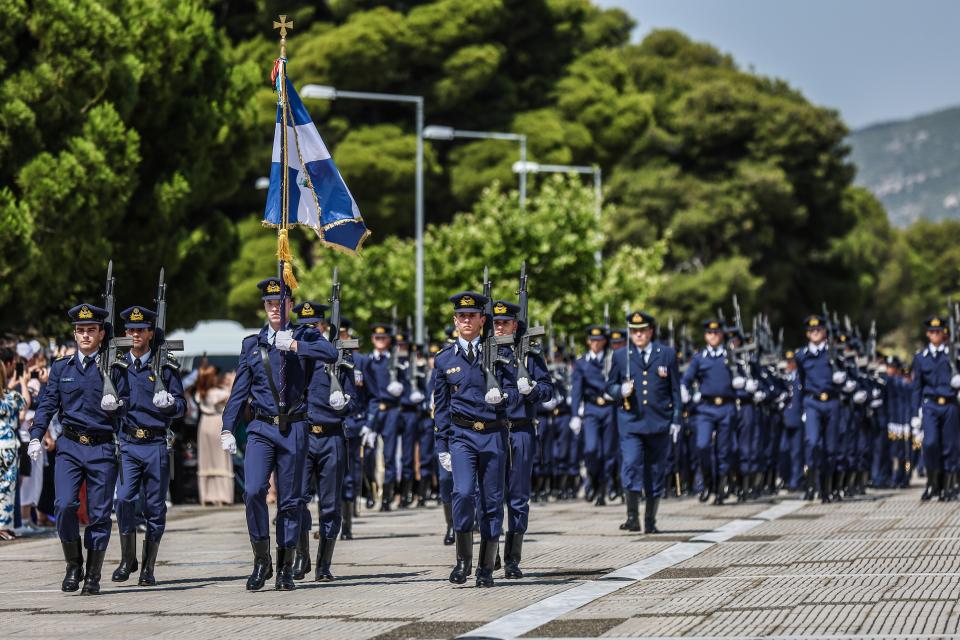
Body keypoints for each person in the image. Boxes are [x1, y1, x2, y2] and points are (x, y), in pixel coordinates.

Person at [220, 278, 338, 591]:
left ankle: (285, 566)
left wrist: (296, 345)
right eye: (270, 303)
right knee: (254, 490)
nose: (275, 308)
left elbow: (331, 354)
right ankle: (262, 560)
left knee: (291, 500)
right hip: (261, 428)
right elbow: (238, 392)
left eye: (281, 302)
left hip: (295, 427)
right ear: (265, 307)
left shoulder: (306, 334)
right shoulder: (252, 344)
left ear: (290, 305)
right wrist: (227, 427)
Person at [29, 303, 128, 594]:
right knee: (64, 505)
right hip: (70, 446)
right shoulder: (62, 368)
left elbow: (129, 407)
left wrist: (118, 406)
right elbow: (47, 404)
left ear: (100, 334)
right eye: (80, 330)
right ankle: (74, 564)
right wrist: (36, 434)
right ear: (75, 334)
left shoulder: (115, 368)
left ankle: (93, 575)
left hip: (101, 448)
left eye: (91, 330)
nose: (85, 335)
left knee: (98, 514)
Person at [434, 290, 516, 588]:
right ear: (455, 321)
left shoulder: (500, 354)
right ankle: (462, 562)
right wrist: (442, 444)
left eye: (472, 315)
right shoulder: (444, 360)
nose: (466, 320)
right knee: (464, 493)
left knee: (492, 502)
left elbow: (516, 391)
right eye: (461, 316)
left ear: (483, 319)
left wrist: (504, 395)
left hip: (493, 433)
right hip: (462, 436)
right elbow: (440, 407)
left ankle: (485, 568)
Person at [110, 305, 185, 586]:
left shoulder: (166, 367)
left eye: (141, 330)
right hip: (129, 442)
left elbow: (182, 406)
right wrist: (110, 406)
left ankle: (148, 567)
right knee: (124, 499)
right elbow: (107, 404)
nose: (135, 334)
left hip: (155, 443)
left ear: (151, 333)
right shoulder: (117, 367)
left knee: (155, 507)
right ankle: (127, 558)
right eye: (130, 330)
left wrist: (170, 405)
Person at [290, 300, 355, 582]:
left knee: (330, 505)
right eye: (304, 326)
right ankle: (302, 556)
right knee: (297, 500)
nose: (310, 330)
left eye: (315, 325)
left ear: (324, 327)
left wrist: (343, 404)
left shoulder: (340, 358)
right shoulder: (292, 357)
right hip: (303, 435)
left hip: (331, 437)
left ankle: (324, 563)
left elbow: (354, 402)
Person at [492, 299, 553, 578]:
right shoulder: (486, 351)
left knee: (518, 496)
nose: (499, 326)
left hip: (521, 429)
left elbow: (548, 388)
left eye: (504, 322)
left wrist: (531, 391)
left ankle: (512, 559)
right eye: (495, 322)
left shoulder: (529, 354)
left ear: (515, 324)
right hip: (493, 429)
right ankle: (489, 551)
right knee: (489, 495)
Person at [606, 311, 681, 534]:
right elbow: (609, 386)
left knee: (656, 470)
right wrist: (620, 390)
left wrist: (676, 419)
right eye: (633, 331)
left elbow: (675, 390)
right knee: (631, 464)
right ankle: (632, 517)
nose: (638, 335)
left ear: (650, 331)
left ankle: (650, 519)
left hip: (658, 421)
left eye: (641, 330)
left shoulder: (666, 353)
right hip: (631, 422)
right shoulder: (621, 356)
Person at [680, 320, 736, 504]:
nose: (713, 336)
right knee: (702, 445)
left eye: (716, 332)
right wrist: (685, 391)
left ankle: (720, 488)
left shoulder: (731, 355)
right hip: (705, 408)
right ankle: (707, 480)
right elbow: (687, 379)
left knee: (723, 451)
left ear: (721, 335)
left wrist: (742, 383)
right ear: (705, 336)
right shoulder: (699, 358)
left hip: (726, 407)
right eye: (710, 333)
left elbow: (743, 376)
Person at [795, 315, 846, 503]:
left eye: (818, 330)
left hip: (831, 402)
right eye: (811, 331)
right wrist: (800, 408)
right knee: (813, 443)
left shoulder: (834, 353)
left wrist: (843, 379)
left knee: (831, 449)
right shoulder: (801, 355)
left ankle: (828, 488)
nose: (814, 333)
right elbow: (799, 382)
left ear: (825, 331)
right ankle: (812, 484)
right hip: (812, 403)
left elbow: (846, 377)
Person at [910, 315, 960, 501]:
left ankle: (948, 487)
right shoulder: (920, 357)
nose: (935, 334)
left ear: (944, 333)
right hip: (930, 406)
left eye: (938, 331)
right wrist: (915, 413)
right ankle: (932, 484)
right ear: (927, 334)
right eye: (932, 331)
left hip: (950, 405)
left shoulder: (954, 354)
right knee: (930, 443)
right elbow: (916, 388)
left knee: (950, 446)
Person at [570, 325, 617, 506]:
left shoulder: (611, 360)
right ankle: (593, 480)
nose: (595, 344)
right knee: (591, 449)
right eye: (592, 340)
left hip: (609, 408)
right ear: (589, 341)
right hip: (591, 410)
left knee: (607, 453)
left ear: (604, 341)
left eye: (599, 340)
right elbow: (576, 391)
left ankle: (602, 489)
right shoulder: (582, 363)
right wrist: (575, 414)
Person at [195, 365, 233, 506]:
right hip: (217, 422)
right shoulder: (216, 393)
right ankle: (222, 495)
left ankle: (207, 495)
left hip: (204, 423)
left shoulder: (201, 393)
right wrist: (231, 382)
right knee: (220, 458)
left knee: (206, 459)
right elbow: (231, 396)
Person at [0, 358, 29, 540]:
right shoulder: (11, 398)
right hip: (8, 447)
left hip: (6, 446)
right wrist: (23, 382)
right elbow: (24, 404)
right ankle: (3, 526)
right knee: (6, 488)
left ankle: (4, 526)